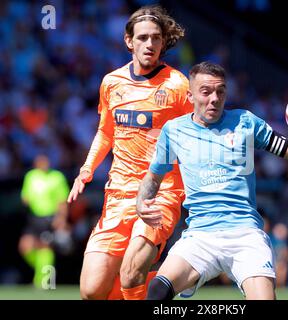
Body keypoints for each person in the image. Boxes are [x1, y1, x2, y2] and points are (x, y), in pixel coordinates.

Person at [136, 62, 288, 300]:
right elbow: (154, 176)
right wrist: (142, 202)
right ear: (190, 95)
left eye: (220, 91)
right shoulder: (174, 130)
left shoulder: (245, 122)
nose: (214, 98)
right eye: (206, 91)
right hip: (200, 235)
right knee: (157, 291)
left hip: (245, 234)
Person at [67, 5, 192, 300]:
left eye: (156, 38)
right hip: (118, 194)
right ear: (129, 41)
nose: (150, 44)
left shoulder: (178, 85)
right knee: (92, 290)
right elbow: (105, 132)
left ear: (163, 42)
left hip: (161, 194)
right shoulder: (111, 83)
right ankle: (165, 283)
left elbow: (195, 138)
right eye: (143, 38)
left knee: (130, 272)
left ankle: (156, 280)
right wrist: (86, 171)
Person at [19, 154, 70, 288]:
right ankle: (42, 271)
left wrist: (61, 218)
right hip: (34, 218)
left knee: (45, 247)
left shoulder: (57, 177)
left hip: (49, 217)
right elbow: (25, 197)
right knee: (25, 246)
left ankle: (43, 281)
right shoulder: (30, 176)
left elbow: (62, 201)